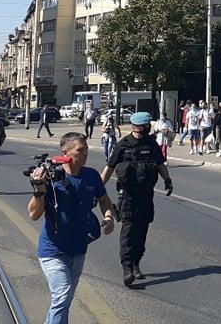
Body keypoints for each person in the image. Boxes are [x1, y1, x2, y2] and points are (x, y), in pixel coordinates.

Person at [28, 132, 115, 324]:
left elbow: (104, 201)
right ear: (65, 153)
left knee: (64, 300)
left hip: (78, 250)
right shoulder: (51, 177)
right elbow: (34, 215)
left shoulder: (92, 175)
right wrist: (39, 190)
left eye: (87, 150)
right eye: (80, 150)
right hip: (52, 250)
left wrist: (108, 216)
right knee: (62, 296)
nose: (86, 154)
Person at [101, 112, 173, 286]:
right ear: (143, 127)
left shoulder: (151, 144)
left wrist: (167, 180)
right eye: (147, 126)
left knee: (142, 231)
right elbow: (109, 168)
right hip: (128, 196)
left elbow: (160, 164)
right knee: (128, 231)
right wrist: (97, 190)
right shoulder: (123, 145)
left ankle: (136, 264)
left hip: (146, 195)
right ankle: (127, 268)